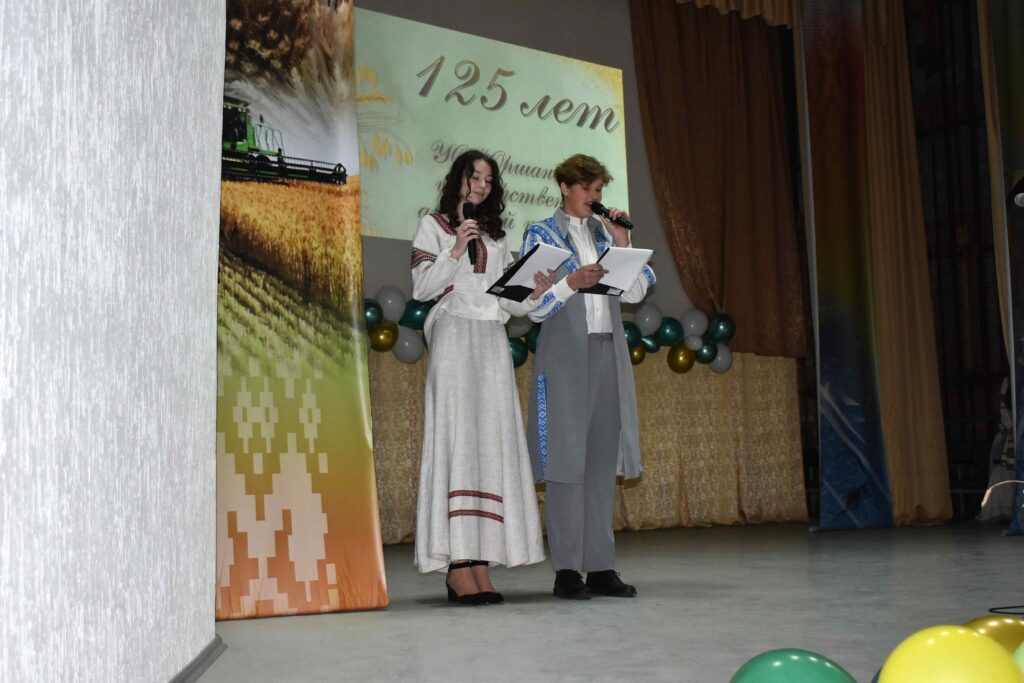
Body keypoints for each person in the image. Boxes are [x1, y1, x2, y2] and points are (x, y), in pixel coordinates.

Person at [411, 150, 552, 605]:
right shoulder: (434, 225)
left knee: (490, 442)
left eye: (489, 180)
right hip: (453, 332)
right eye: (475, 177)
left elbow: (510, 302)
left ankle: (481, 563)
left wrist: (535, 290)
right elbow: (422, 288)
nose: (482, 186)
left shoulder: (497, 235)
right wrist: (455, 248)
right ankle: (457, 565)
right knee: (457, 440)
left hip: (491, 337)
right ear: (459, 179)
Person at [520, 154, 656, 600]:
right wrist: (570, 284)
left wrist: (623, 239)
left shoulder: (604, 234)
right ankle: (567, 570)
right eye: (586, 189)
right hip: (564, 355)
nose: (594, 198)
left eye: (599, 190)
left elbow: (636, 291)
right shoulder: (541, 234)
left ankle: (600, 566)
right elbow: (532, 307)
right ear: (565, 186)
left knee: (600, 460)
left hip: (606, 352)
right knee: (565, 462)